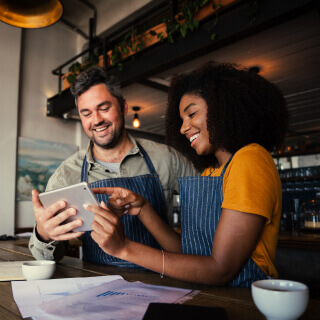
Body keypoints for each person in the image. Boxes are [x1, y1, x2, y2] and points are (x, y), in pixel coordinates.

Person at [82, 61, 289, 287]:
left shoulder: (251, 160)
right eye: (181, 120)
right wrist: (143, 209)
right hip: (208, 297)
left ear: (223, 108)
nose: (183, 128)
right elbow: (187, 254)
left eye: (191, 114)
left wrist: (124, 248)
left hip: (243, 300)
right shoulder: (212, 172)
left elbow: (221, 269)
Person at [29, 67, 199, 268]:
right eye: (86, 113)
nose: (97, 120)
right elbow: (47, 259)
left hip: (166, 281)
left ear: (124, 107)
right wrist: (44, 234)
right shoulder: (66, 175)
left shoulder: (167, 158)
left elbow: (207, 216)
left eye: (104, 108)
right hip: (97, 285)